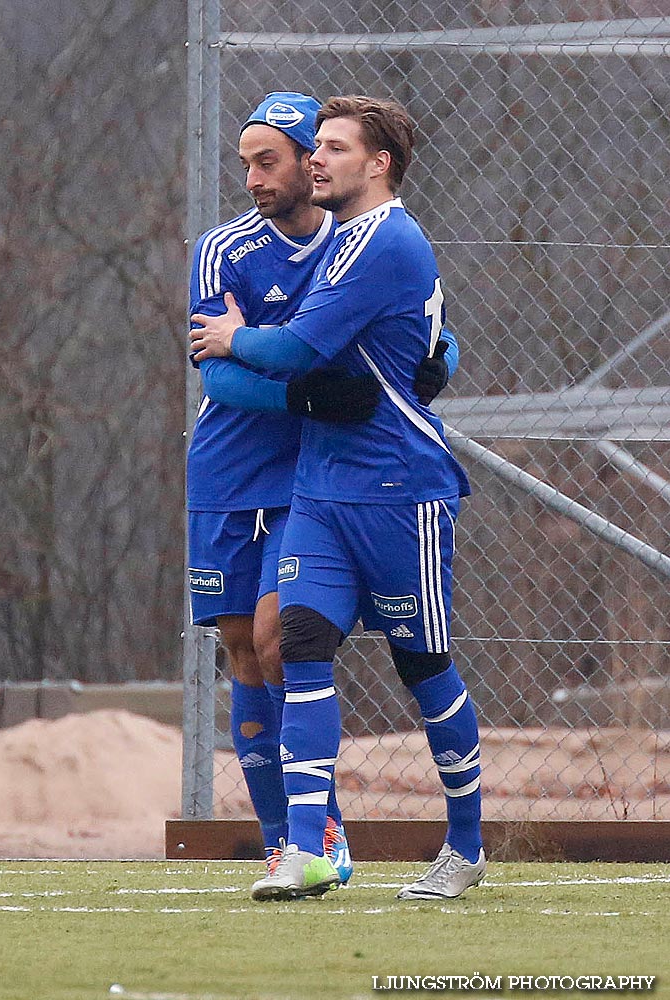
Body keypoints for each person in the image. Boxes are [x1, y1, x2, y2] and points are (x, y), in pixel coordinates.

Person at [191, 95, 485, 902]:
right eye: (310, 146)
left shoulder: (386, 240)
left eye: (330, 147)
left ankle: (464, 847)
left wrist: (231, 338)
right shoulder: (333, 240)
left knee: (423, 668)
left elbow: (296, 346)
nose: (312, 159)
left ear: (377, 163)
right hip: (318, 489)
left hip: (398, 490)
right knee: (300, 643)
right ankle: (308, 847)